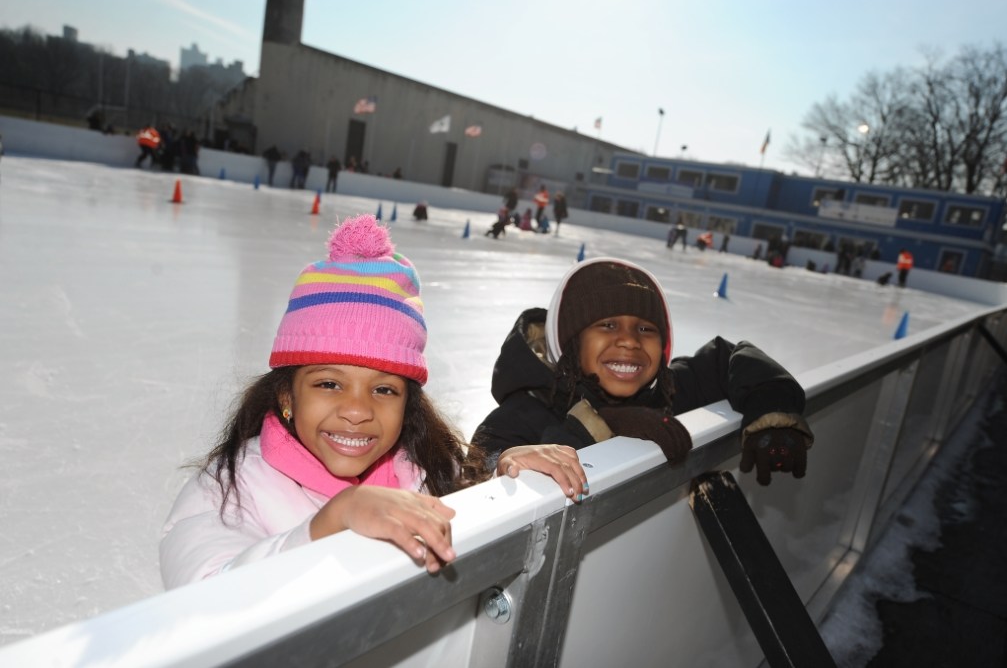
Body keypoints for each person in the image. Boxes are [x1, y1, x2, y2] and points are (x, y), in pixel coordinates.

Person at [160, 214, 584, 589]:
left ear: (407, 404)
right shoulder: (229, 487)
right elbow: (203, 597)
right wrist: (329, 524)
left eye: (384, 390)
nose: (358, 411)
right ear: (287, 394)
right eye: (329, 383)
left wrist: (504, 477)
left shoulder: (424, 468)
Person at [471, 257, 814, 487]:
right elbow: (479, 478)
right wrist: (602, 426)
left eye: (646, 329)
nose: (630, 341)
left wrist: (772, 410)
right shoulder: (516, 419)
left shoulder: (667, 392)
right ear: (569, 341)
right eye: (607, 325)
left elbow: (730, 357)